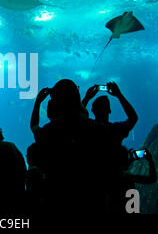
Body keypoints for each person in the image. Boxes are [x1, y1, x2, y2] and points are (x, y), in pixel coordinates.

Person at [30, 79, 108, 214]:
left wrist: (37, 103)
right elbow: (78, 119)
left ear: (56, 102)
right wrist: (86, 99)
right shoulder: (98, 128)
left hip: (59, 200)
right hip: (93, 199)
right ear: (76, 98)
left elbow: (34, 127)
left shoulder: (49, 131)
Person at [108, 146, 156, 214]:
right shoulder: (127, 177)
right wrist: (150, 161)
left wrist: (130, 160)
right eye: (126, 157)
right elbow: (152, 179)